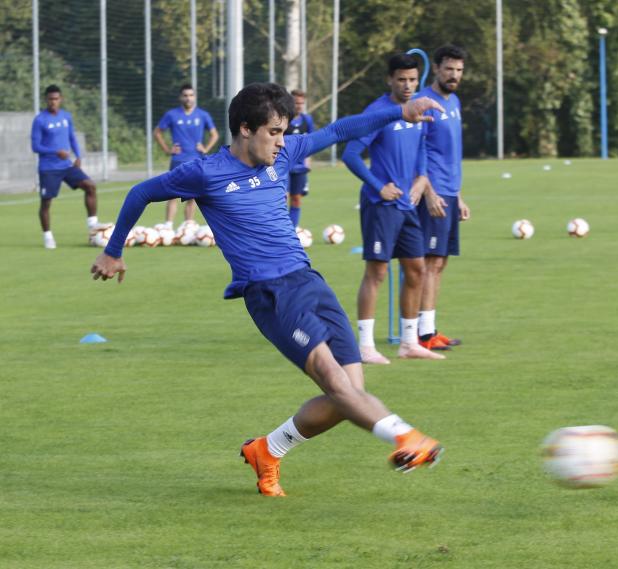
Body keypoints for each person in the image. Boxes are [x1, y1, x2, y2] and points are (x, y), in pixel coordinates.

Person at [91, 82, 445, 497]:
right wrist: (113, 251)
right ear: (245, 129)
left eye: (284, 132)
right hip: (269, 294)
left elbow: (338, 130)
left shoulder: (286, 154)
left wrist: (398, 113)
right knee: (336, 383)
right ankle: (406, 437)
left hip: (310, 282)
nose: (281, 142)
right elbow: (142, 192)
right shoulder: (205, 172)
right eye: (274, 132)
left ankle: (268, 450)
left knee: (350, 394)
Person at [342, 54, 444, 365]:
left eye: (413, 79)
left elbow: (422, 148)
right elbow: (351, 154)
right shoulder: (377, 113)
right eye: (402, 79)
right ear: (390, 80)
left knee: (416, 269)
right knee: (378, 272)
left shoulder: (419, 109)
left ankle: (409, 342)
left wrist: (422, 180)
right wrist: (378, 185)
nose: (408, 85)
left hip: (407, 205)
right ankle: (365, 346)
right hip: (380, 205)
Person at [414, 45, 471, 351]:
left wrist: (458, 196)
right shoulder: (424, 103)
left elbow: (453, 154)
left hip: (450, 192)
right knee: (427, 263)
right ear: (436, 69)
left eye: (459, 70)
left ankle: (430, 329)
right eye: (449, 69)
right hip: (433, 195)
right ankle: (423, 335)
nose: (454, 75)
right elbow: (419, 151)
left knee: (440, 263)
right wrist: (430, 192)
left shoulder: (455, 101)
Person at [31, 84, 106, 249]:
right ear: (46, 100)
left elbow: (72, 137)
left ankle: (93, 225)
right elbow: (35, 146)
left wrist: (78, 155)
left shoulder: (66, 116)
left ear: (61, 99)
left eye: (56, 99)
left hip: (66, 166)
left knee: (90, 186)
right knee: (46, 203)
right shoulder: (40, 120)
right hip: (48, 168)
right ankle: (48, 236)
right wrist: (55, 151)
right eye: (50, 99)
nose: (53, 102)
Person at [153, 83, 219, 230]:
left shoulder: (203, 115)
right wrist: (167, 149)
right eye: (185, 95)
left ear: (194, 97)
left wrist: (205, 148)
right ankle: (168, 227)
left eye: (191, 95)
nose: (188, 98)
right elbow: (157, 132)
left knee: (193, 196)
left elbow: (214, 134)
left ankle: (188, 226)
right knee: (172, 194)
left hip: (196, 160)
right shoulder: (172, 115)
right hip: (178, 160)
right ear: (180, 97)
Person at [286, 89, 315, 227]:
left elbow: (312, 141)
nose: (299, 106)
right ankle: (279, 233)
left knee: (296, 199)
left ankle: (293, 230)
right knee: (281, 199)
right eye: (296, 103)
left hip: (300, 167)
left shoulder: (307, 120)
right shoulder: (282, 119)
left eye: (301, 103)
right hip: (283, 166)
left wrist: (308, 160)